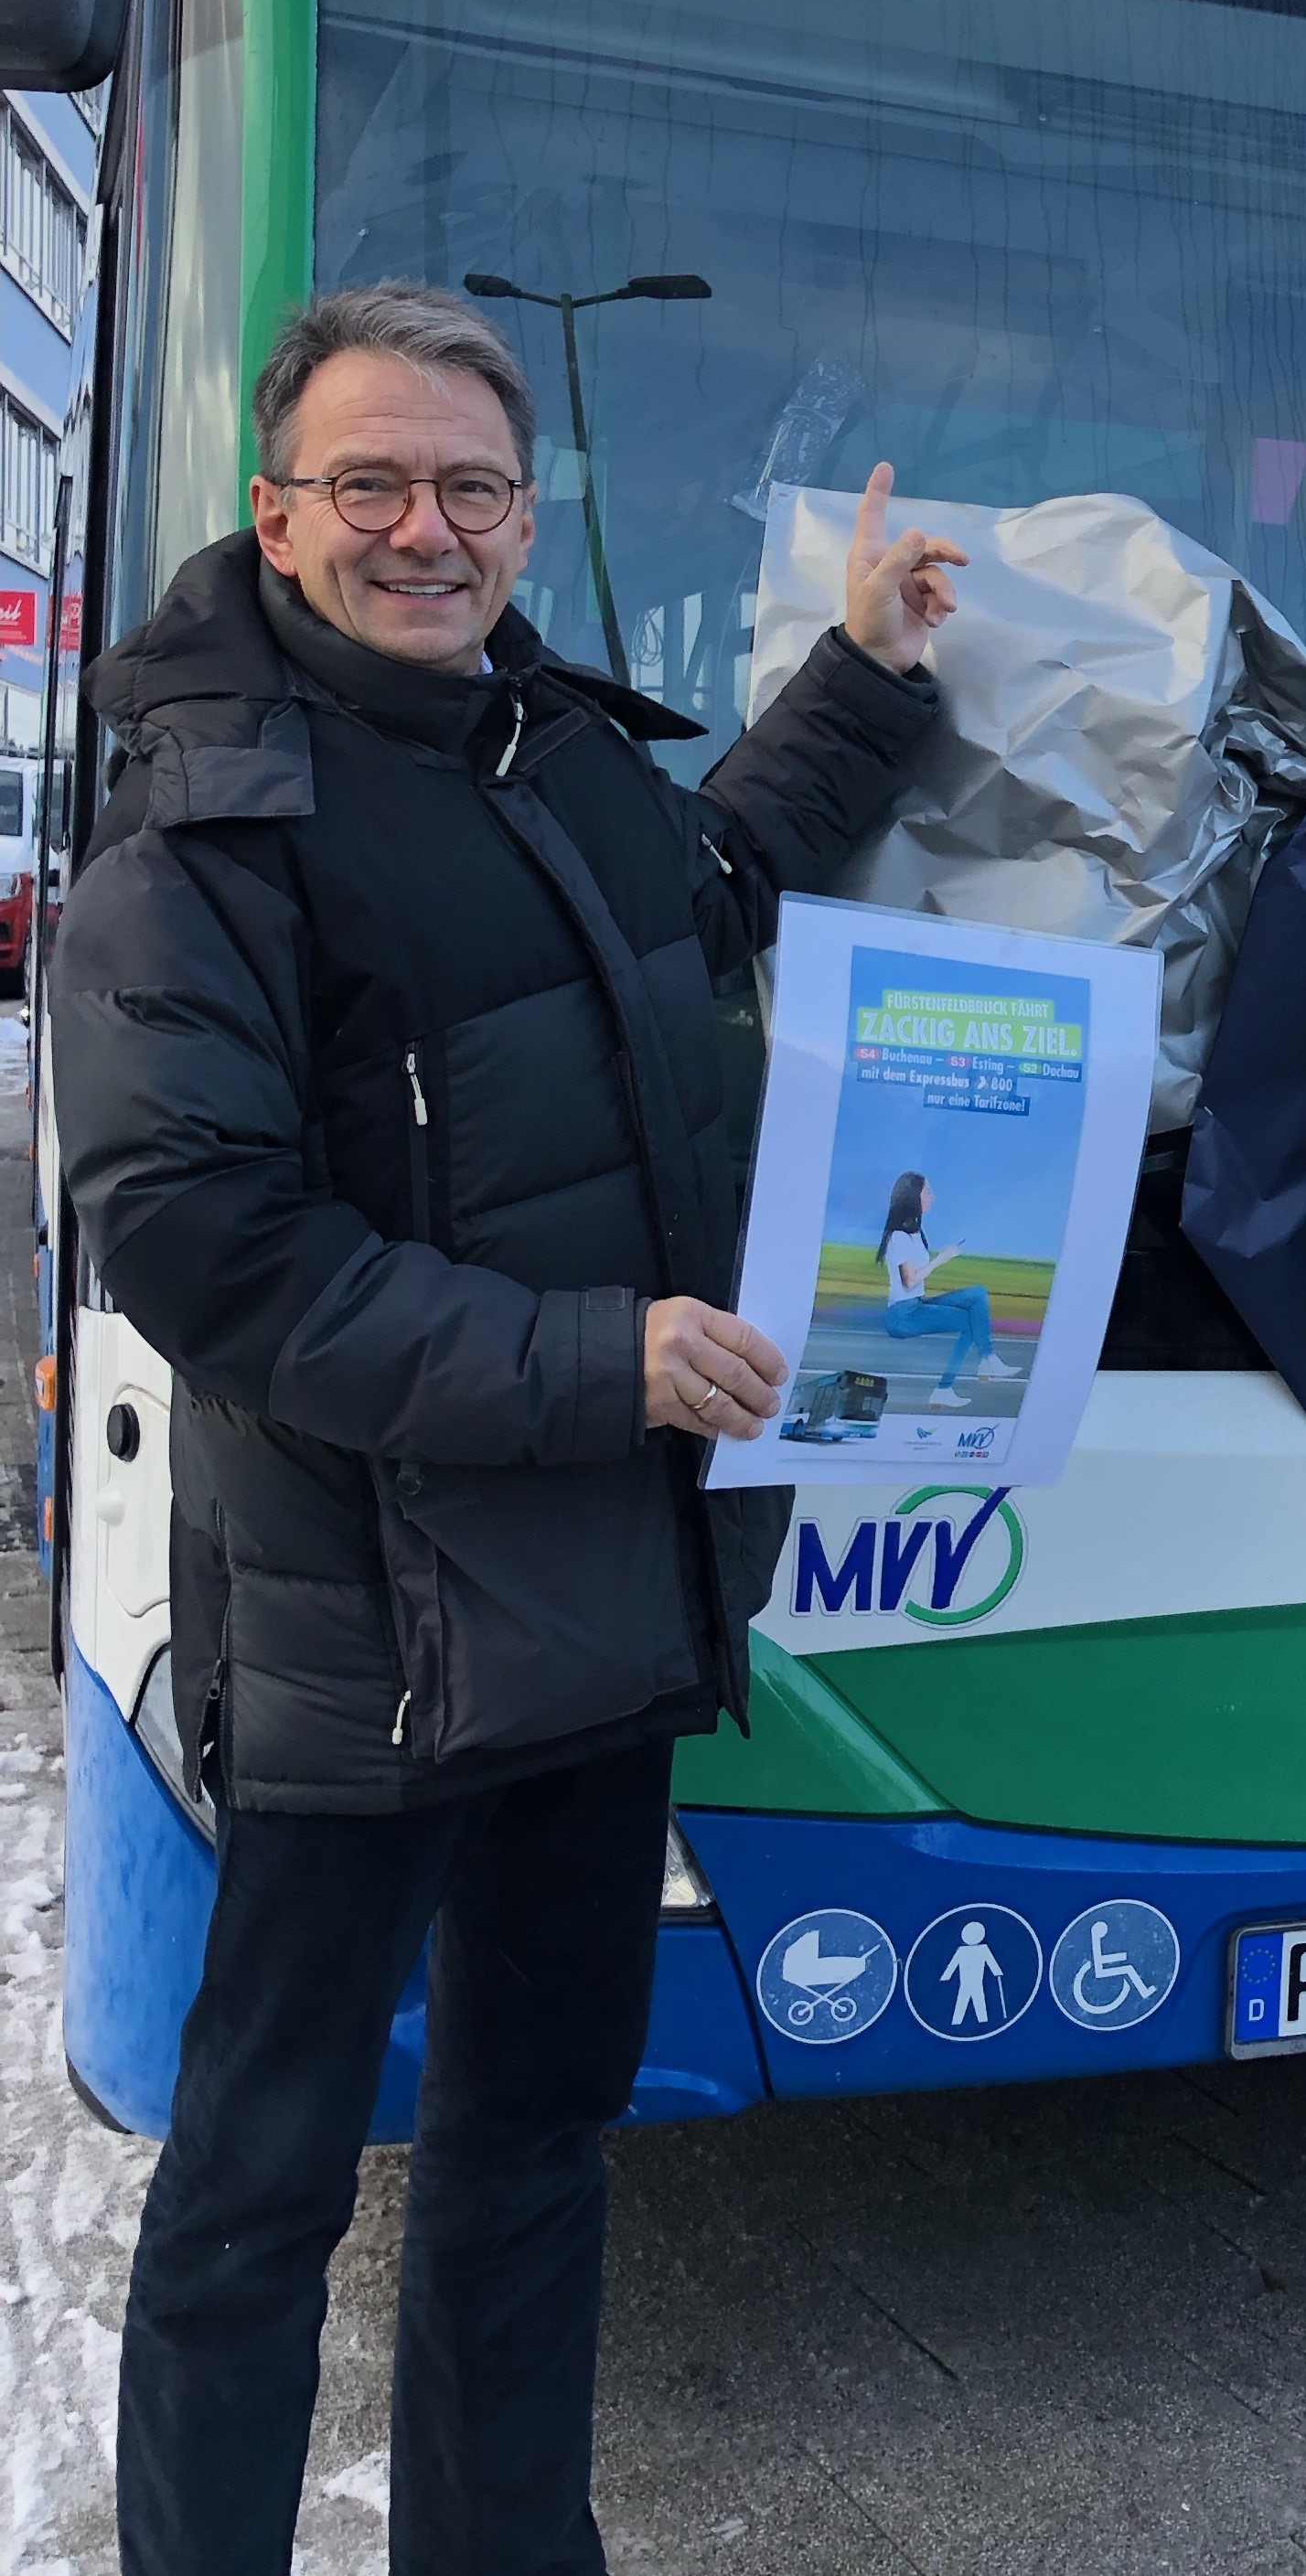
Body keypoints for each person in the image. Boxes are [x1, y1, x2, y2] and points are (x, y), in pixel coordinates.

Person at [54, 282, 969, 2576]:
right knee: (263, 2179)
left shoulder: (542, 743)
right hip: (365, 1631)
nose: (422, 528)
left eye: (467, 484)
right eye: (369, 481)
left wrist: (856, 674)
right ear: (274, 513)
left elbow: (701, 885)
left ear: (520, 514)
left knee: (536, 2137)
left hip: (595, 1601)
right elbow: (209, 1243)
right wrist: (603, 1359)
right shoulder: (205, 822)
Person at [875, 1165, 1021, 1406]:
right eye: (928, 1192)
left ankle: (987, 1359)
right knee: (970, 1322)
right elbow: (910, 1281)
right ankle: (945, 1388)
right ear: (914, 1197)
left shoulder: (914, 1233)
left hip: (917, 1304)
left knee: (977, 1294)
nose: (932, 1197)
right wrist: (942, 1259)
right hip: (903, 1315)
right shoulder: (899, 1236)